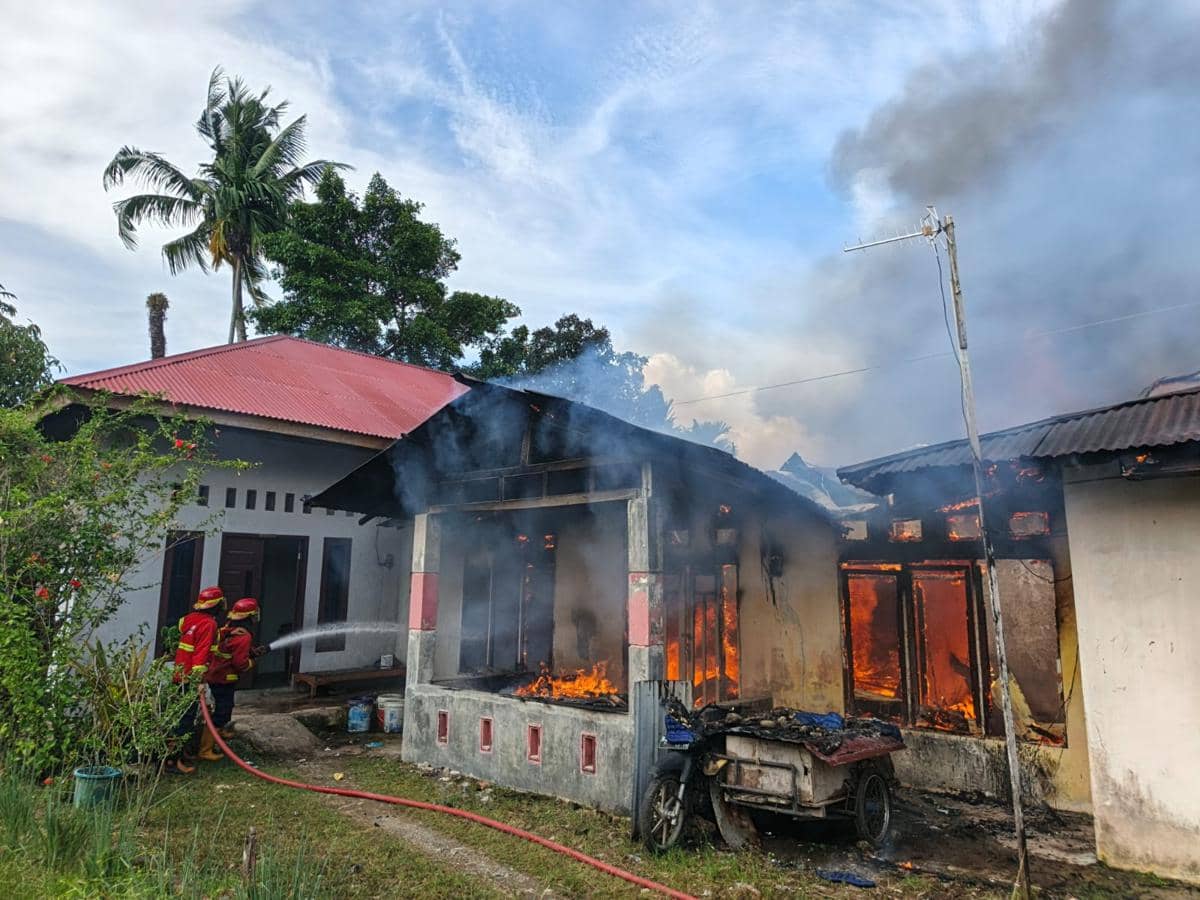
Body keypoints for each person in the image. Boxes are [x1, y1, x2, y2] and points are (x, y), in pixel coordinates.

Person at [198, 597, 267, 761]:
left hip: (214, 675)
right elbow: (240, 663)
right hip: (225, 678)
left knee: (223, 707)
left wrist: (251, 651)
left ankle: (219, 734)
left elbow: (229, 648)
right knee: (222, 711)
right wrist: (252, 661)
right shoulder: (244, 636)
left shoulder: (227, 629)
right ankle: (205, 749)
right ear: (250, 616)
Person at [166, 585, 225, 775]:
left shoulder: (190, 620)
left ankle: (181, 755)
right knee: (184, 720)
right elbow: (201, 655)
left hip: (179, 676)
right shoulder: (209, 624)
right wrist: (199, 681)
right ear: (216, 605)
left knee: (180, 717)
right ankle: (172, 763)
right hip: (190, 679)